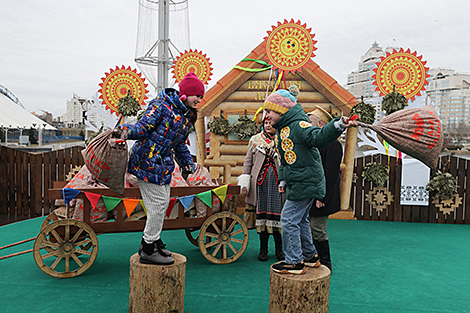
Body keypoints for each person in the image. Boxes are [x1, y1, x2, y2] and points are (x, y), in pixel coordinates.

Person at [264, 85, 356, 275]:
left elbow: (319, 136)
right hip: (298, 181)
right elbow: (287, 159)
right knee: (302, 220)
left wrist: (337, 125)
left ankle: (294, 261)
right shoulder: (284, 129)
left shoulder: (299, 125)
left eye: (269, 110)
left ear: (281, 110)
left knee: (288, 220)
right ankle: (311, 256)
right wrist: (283, 181)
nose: (266, 115)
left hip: (305, 182)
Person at [118, 72, 204, 265]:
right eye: (196, 95)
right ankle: (148, 248)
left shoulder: (183, 116)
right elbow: (143, 127)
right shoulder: (161, 106)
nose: (199, 100)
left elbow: (180, 144)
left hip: (162, 165)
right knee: (157, 206)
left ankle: (154, 242)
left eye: (200, 97)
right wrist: (126, 131)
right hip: (145, 161)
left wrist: (187, 165)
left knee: (162, 204)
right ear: (185, 93)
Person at [238, 118, 284, 262]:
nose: (268, 125)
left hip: (278, 187)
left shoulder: (283, 140)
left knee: (279, 218)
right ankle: (263, 249)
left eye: (271, 123)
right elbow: (248, 162)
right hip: (260, 185)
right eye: (266, 123)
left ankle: (279, 250)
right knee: (262, 217)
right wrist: (245, 183)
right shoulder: (255, 140)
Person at [307, 107, 343, 272]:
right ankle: (314, 259)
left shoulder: (333, 144)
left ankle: (326, 262)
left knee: (317, 229)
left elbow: (331, 174)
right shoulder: (314, 141)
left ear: (320, 124)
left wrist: (322, 197)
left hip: (322, 195)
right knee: (310, 228)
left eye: (310, 122)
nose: (307, 125)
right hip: (312, 193)